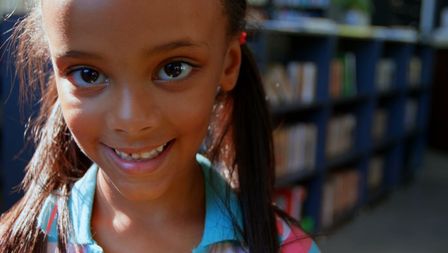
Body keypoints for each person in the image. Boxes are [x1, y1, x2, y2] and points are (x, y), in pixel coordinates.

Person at [0, 0, 321, 252]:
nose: (132, 120)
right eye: (88, 74)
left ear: (229, 64)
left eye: (173, 68)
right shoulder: (20, 243)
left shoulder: (287, 247)